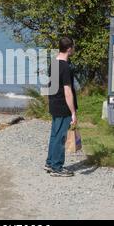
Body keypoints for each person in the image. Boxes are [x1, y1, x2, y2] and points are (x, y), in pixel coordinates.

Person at [45, 37, 78, 177]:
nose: (74, 49)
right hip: (63, 105)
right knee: (61, 137)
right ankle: (57, 167)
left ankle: (50, 162)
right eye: (73, 47)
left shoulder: (53, 63)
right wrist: (73, 112)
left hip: (54, 103)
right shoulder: (65, 67)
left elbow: (51, 85)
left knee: (54, 135)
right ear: (69, 48)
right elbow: (67, 91)